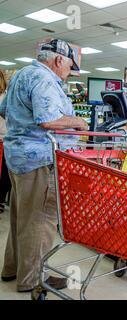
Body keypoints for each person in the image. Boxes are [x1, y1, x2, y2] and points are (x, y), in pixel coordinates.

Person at [0, 39, 89, 292]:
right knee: (40, 221)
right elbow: (47, 120)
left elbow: (3, 109)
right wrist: (78, 123)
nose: (68, 73)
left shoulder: (21, 74)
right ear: (59, 60)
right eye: (69, 67)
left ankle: (13, 269)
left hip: (17, 157)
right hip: (40, 160)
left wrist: (23, 128)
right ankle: (33, 279)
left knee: (22, 217)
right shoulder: (46, 79)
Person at [0, 69, 11, 214]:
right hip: (6, 139)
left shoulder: (4, 98)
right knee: (5, 175)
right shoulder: (6, 97)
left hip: (3, 139)